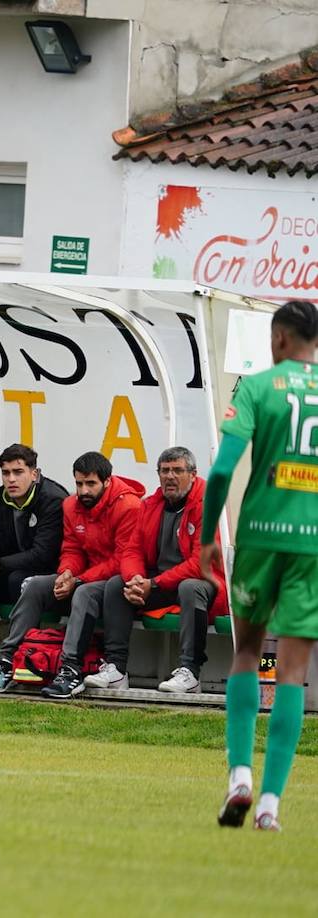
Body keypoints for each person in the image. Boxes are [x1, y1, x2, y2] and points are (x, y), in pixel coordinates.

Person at [200, 300, 318, 832]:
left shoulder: (254, 387)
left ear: (278, 340)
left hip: (258, 538)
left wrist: (207, 538)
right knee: (293, 670)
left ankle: (240, 775)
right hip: (311, 544)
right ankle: (270, 804)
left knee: (247, 653)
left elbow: (223, 469)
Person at [0, 451, 145, 698]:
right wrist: (66, 572)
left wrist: (78, 580)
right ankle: (8, 661)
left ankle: (71, 669)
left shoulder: (129, 506)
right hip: (81, 578)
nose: (84, 491)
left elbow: (122, 559)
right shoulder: (71, 505)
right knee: (35, 585)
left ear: (107, 482)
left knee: (85, 592)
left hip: (112, 583)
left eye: (91, 484)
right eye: (79, 484)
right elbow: (72, 548)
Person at [87, 446, 226, 694]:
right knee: (117, 585)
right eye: (164, 471)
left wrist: (155, 583)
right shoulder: (150, 505)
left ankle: (190, 672)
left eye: (177, 470)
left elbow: (199, 562)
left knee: (190, 587)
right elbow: (132, 550)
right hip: (160, 584)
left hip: (204, 582)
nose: (169, 477)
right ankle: (116, 669)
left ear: (193, 474)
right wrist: (136, 580)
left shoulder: (209, 504)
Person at [0, 444, 68, 680]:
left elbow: (43, 555)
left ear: (34, 474)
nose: (11, 479)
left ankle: (23, 658)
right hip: (9, 570)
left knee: (21, 580)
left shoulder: (53, 500)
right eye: (6, 473)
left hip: (49, 580)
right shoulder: (1, 500)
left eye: (18, 472)